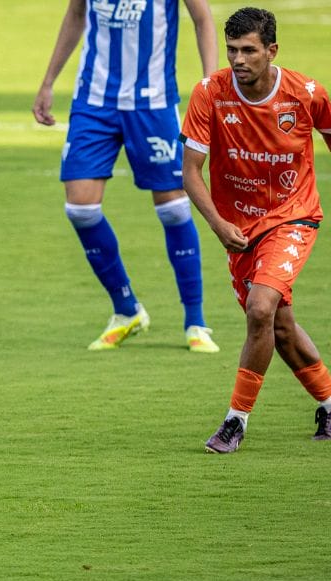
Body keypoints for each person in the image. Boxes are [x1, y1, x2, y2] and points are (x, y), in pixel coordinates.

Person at [179, 7, 331, 453]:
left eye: (249, 50)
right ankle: (327, 403)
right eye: (232, 51)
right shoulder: (210, 93)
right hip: (239, 228)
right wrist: (218, 223)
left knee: (261, 309)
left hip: (293, 216)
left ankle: (235, 422)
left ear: (271, 50)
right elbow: (191, 172)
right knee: (279, 326)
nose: (239, 59)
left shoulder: (305, 94)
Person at [33, 0, 222, 352]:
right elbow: (76, 14)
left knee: (174, 206)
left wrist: (209, 84)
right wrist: (48, 82)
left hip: (153, 101)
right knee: (80, 209)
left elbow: (202, 18)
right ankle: (126, 310)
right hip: (94, 101)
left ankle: (195, 322)